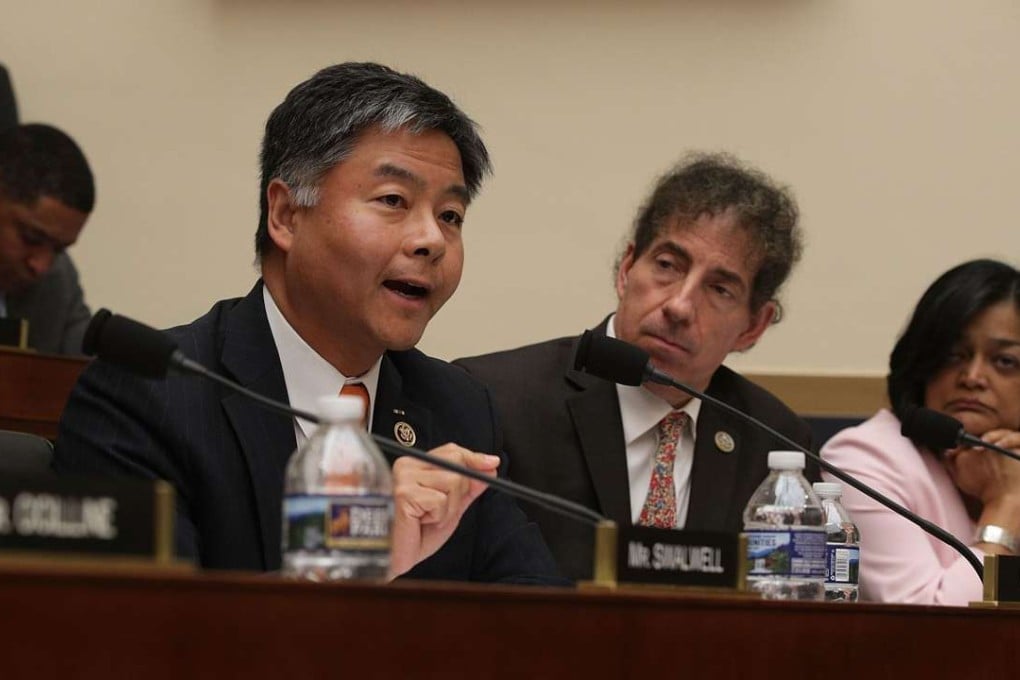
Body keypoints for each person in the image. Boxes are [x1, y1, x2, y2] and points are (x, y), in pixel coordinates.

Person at [54, 62, 563, 585]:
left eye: (451, 215)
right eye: (393, 200)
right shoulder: (144, 395)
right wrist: (353, 557)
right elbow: (145, 638)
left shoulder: (457, 407)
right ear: (286, 215)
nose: (431, 239)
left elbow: (543, 624)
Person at [456, 153, 816, 581]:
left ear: (753, 326)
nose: (680, 306)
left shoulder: (774, 442)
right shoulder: (496, 399)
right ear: (627, 269)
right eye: (667, 266)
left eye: (719, 289)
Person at [821, 259, 1020, 605]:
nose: (972, 376)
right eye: (953, 355)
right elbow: (927, 625)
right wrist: (1007, 505)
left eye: (1004, 361)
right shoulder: (863, 458)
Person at [0, 123, 94, 354]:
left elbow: (91, 375)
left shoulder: (57, 279)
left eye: (58, 249)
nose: (41, 266)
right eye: (30, 238)